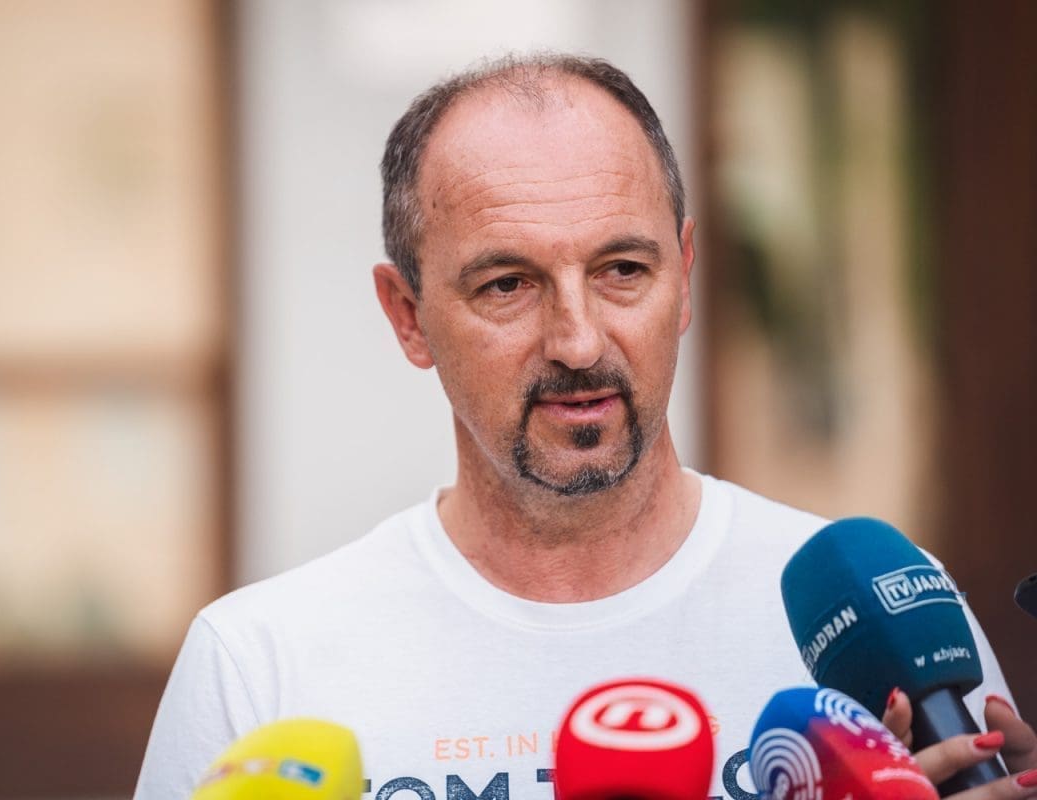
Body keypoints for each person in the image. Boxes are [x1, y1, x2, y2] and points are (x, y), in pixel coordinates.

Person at [134, 53, 1034, 800]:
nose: (578, 341)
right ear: (408, 316)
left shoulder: (882, 624)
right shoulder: (261, 665)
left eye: (622, 270)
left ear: (684, 275)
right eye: (507, 285)